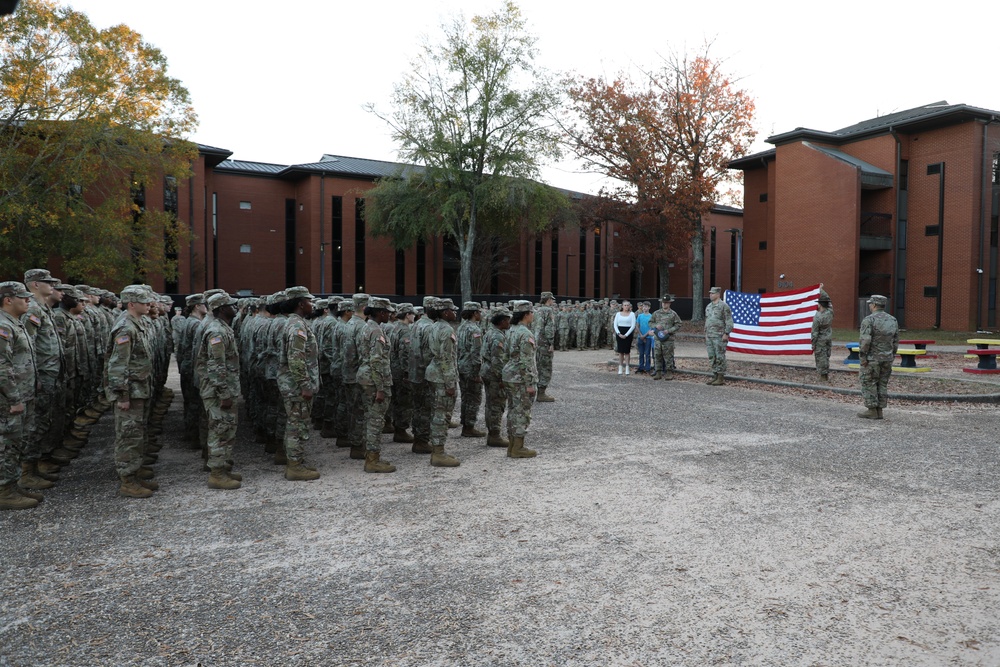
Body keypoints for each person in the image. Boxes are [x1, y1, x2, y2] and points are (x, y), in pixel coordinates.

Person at [105, 285, 157, 498]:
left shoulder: (137, 324)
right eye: (145, 302)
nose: (149, 305)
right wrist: (122, 395)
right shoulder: (126, 328)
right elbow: (117, 365)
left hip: (139, 390)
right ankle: (127, 480)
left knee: (136, 433)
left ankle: (134, 474)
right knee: (128, 435)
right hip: (131, 392)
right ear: (132, 304)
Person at [195, 292, 242, 489]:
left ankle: (223, 467)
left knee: (227, 429)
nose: (235, 308)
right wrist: (223, 394)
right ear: (222, 309)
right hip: (218, 391)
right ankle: (216, 474)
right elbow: (216, 366)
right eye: (231, 305)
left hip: (224, 388)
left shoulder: (223, 328)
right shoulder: (217, 332)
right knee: (220, 430)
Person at [0, 282, 40, 509]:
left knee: (16, 443)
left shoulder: (15, 323)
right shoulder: (2, 326)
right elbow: (2, 367)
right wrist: (14, 398)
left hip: (21, 395)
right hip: (8, 399)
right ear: (8, 300)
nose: (28, 301)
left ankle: (12, 485)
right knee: (6, 444)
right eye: (23, 298)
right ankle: (4, 491)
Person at [277, 286, 321, 480]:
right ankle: (294, 466)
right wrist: (305, 384)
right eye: (309, 301)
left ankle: (296, 461)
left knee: (296, 423)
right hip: (296, 387)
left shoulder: (297, 323)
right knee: (297, 425)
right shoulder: (296, 326)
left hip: (294, 385)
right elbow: (296, 359)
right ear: (301, 303)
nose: (312, 305)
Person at [423, 298, 461, 467]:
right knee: (442, 414)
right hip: (442, 376)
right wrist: (450, 383)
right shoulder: (446, 329)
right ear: (445, 312)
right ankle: (438, 453)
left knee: (436, 412)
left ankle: (437, 449)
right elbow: (446, 358)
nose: (455, 312)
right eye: (453, 310)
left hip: (434, 373)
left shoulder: (433, 326)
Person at [502, 300, 538, 458]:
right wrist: (529, 383)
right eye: (531, 312)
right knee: (522, 412)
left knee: (513, 410)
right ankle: (518, 447)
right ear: (526, 314)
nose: (533, 315)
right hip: (520, 378)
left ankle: (511, 446)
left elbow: (505, 355)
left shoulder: (511, 330)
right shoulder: (525, 333)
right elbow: (526, 361)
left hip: (510, 375)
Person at [857, 294, 898, 419]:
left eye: (870, 304)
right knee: (882, 383)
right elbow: (895, 341)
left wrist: (863, 357)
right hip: (887, 358)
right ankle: (879, 409)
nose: (870, 305)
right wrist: (892, 355)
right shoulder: (893, 320)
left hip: (872, 358)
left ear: (874, 305)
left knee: (869, 382)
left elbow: (865, 340)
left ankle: (871, 409)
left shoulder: (869, 320)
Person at [481, 306, 511, 448]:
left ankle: (492, 433)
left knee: (490, 403)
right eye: (507, 320)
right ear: (501, 321)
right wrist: (501, 379)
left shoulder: (490, 332)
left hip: (487, 371)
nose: (509, 322)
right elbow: (497, 360)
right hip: (494, 374)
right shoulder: (498, 335)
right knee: (496, 405)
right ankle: (494, 435)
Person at [457, 302, 486, 437]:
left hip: (461, 366)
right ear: (474, 313)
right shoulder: (475, 330)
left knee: (465, 397)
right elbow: (476, 352)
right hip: (470, 368)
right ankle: (469, 427)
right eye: (479, 312)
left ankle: (465, 423)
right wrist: (476, 372)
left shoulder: (461, 327)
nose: (480, 314)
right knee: (474, 398)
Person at [704, 287, 734, 386]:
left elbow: (729, 321)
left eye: (712, 293)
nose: (710, 295)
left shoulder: (724, 306)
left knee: (720, 356)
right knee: (712, 356)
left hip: (719, 336)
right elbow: (707, 321)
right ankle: (715, 375)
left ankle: (721, 377)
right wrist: (706, 333)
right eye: (710, 293)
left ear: (718, 294)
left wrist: (726, 333)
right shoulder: (708, 306)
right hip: (709, 335)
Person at [649, 294, 682, 380]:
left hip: (668, 339)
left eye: (666, 303)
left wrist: (669, 330)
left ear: (669, 303)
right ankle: (658, 372)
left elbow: (678, 324)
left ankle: (669, 372)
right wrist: (656, 325)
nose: (664, 304)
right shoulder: (656, 313)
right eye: (663, 303)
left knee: (668, 356)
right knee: (657, 355)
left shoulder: (673, 314)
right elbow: (650, 322)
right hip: (658, 339)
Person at [533, 291, 557, 401]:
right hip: (545, 343)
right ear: (548, 300)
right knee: (546, 368)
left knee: (539, 366)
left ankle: (538, 391)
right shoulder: (548, 311)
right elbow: (549, 328)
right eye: (551, 299)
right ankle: (541, 393)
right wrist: (551, 342)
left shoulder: (537, 310)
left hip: (538, 342)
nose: (552, 301)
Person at [812, 286, 834, 381]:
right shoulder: (830, 312)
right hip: (828, 338)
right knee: (826, 356)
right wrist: (821, 290)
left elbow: (815, 332)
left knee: (820, 357)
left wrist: (813, 344)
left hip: (820, 340)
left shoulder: (818, 317)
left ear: (820, 305)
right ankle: (825, 375)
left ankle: (823, 377)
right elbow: (829, 301)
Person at [613, 300, 637, 376]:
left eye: (628, 305)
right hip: (619, 332)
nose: (626, 307)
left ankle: (627, 367)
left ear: (630, 306)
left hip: (628, 333)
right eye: (625, 305)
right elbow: (615, 325)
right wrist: (619, 333)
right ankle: (620, 367)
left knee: (627, 351)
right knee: (620, 351)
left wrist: (626, 335)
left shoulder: (632, 314)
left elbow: (633, 326)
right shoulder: (618, 314)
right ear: (622, 306)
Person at [635, 302, 652, 373]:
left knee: (647, 353)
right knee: (641, 353)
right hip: (640, 337)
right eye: (644, 307)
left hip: (648, 337)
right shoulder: (640, 316)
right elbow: (637, 326)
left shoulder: (651, 316)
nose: (645, 308)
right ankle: (641, 367)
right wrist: (641, 335)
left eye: (646, 307)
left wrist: (645, 335)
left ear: (649, 308)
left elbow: (652, 328)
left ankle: (648, 367)